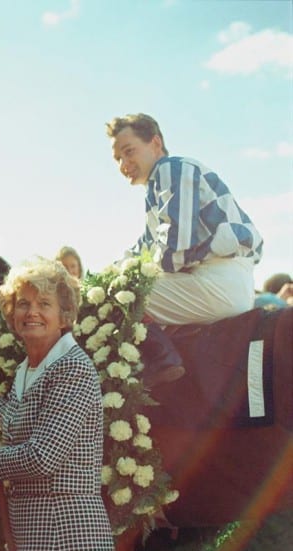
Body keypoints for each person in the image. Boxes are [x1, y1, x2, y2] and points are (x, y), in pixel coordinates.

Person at [0, 258, 129, 551]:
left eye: (43, 303)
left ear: (64, 315)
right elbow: (18, 424)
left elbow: (43, 456)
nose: (32, 312)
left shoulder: (72, 368)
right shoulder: (31, 367)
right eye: (23, 304)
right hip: (33, 528)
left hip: (66, 527)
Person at [106, 113, 264, 387]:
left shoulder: (171, 169)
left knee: (114, 296)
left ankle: (164, 361)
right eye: (117, 159)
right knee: (118, 282)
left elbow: (172, 253)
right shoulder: (157, 188)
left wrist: (117, 278)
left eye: (129, 151)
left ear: (155, 142)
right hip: (224, 281)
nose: (123, 164)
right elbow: (140, 250)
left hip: (217, 282)